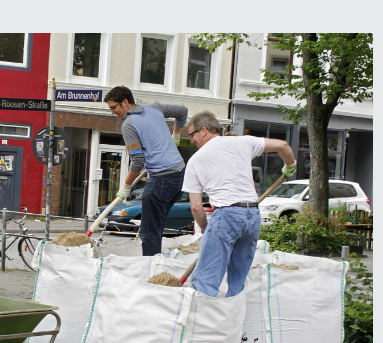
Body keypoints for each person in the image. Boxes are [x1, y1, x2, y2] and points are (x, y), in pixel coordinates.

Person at [182, 111, 296, 297]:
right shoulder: (243, 142)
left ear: (203, 130)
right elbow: (283, 145)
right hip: (252, 216)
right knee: (237, 279)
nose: (192, 140)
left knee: (205, 280)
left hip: (226, 215)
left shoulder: (195, 160)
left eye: (192, 135)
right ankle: (232, 320)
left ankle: (204, 323)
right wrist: (290, 165)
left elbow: (196, 207)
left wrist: (205, 229)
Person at [104, 86, 188, 256]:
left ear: (125, 102)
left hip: (161, 179)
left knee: (149, 232)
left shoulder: (128, 124)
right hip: (179, 177)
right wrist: (176, 133)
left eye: (114, 107)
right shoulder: (154, 108)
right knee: (156, 226)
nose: (112, 112)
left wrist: (126, 187)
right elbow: (183, 111)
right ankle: (157, 264)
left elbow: (138, 160)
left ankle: (151, 271)